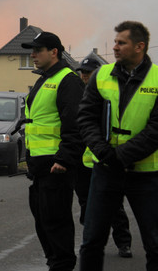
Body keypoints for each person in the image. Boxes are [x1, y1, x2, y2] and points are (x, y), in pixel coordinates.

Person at [79, 21, 158, 271]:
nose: (114, 47)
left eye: (121, 43)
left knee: (155, 244)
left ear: (139, 46)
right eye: (115, 42)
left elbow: (155, 130)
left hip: (146, 175)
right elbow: (86, 116)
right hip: (105, 170)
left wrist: (119, 156)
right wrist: (103, 152)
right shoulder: (102, 75)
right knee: (91, 241)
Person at [21, 31, 85, 271]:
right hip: (40, 166)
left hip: (56, 166)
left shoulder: (68, 80)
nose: (33, 55)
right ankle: (55, 262)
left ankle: (62, 264)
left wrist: (65, 159)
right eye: (32, 50)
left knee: (55, 221)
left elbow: (75, 124)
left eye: (38, 50)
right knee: (43, 219)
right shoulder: (45, 78)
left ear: (54, 52)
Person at [74, 56, 133, 259]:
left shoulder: (106, 94)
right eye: (82, 72)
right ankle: (91, 241)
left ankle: (123, 243)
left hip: (105, 160)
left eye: (88, 72)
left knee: (114, 206)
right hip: (83, 163)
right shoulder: (78, 94)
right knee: (85, 205)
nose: (84, 76)